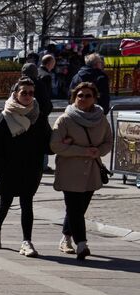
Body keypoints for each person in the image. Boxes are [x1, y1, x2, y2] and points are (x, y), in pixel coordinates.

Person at [0, 78, 49, 257]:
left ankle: (26, 242)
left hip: (30, 169)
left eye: (31, 92)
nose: (28, 96)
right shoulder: (5, 117)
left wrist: (59, 144)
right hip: (9, 170)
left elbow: (47, 142)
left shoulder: (38, 116)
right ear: (16, 94)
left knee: (27, 205)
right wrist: (1, 169)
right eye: (24, 92)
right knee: (5, 203)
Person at [51, 81, 112, 260]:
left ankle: (65, 238)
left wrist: (98, 152)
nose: (83, 98)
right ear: (74, 97)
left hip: (91, 171)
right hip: (70, 171)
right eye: (80, 95)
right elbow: (55, 145)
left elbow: (108, 141)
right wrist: (83, 151)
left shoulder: (101, 119)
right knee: (74, 208)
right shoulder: (65, 119)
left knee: (78, 209)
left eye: (88, 96)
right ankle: (82, 244)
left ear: (94, 98)